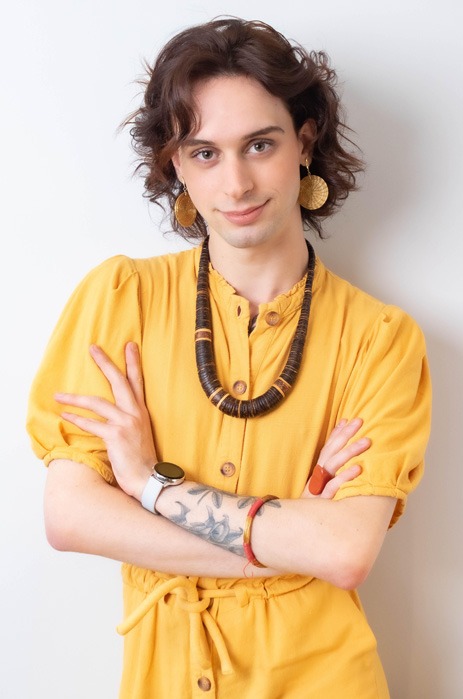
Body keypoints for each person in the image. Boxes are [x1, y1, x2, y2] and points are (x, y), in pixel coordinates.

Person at [27, 17, 431, 699]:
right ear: (176, 164)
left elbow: (342, 551)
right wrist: (278, 543)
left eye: (259, 144)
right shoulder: (118, 298)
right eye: (205, 152)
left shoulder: (379, 339)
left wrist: (150, 488)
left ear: (303, 142)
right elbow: (70, 517)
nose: (236, 183)